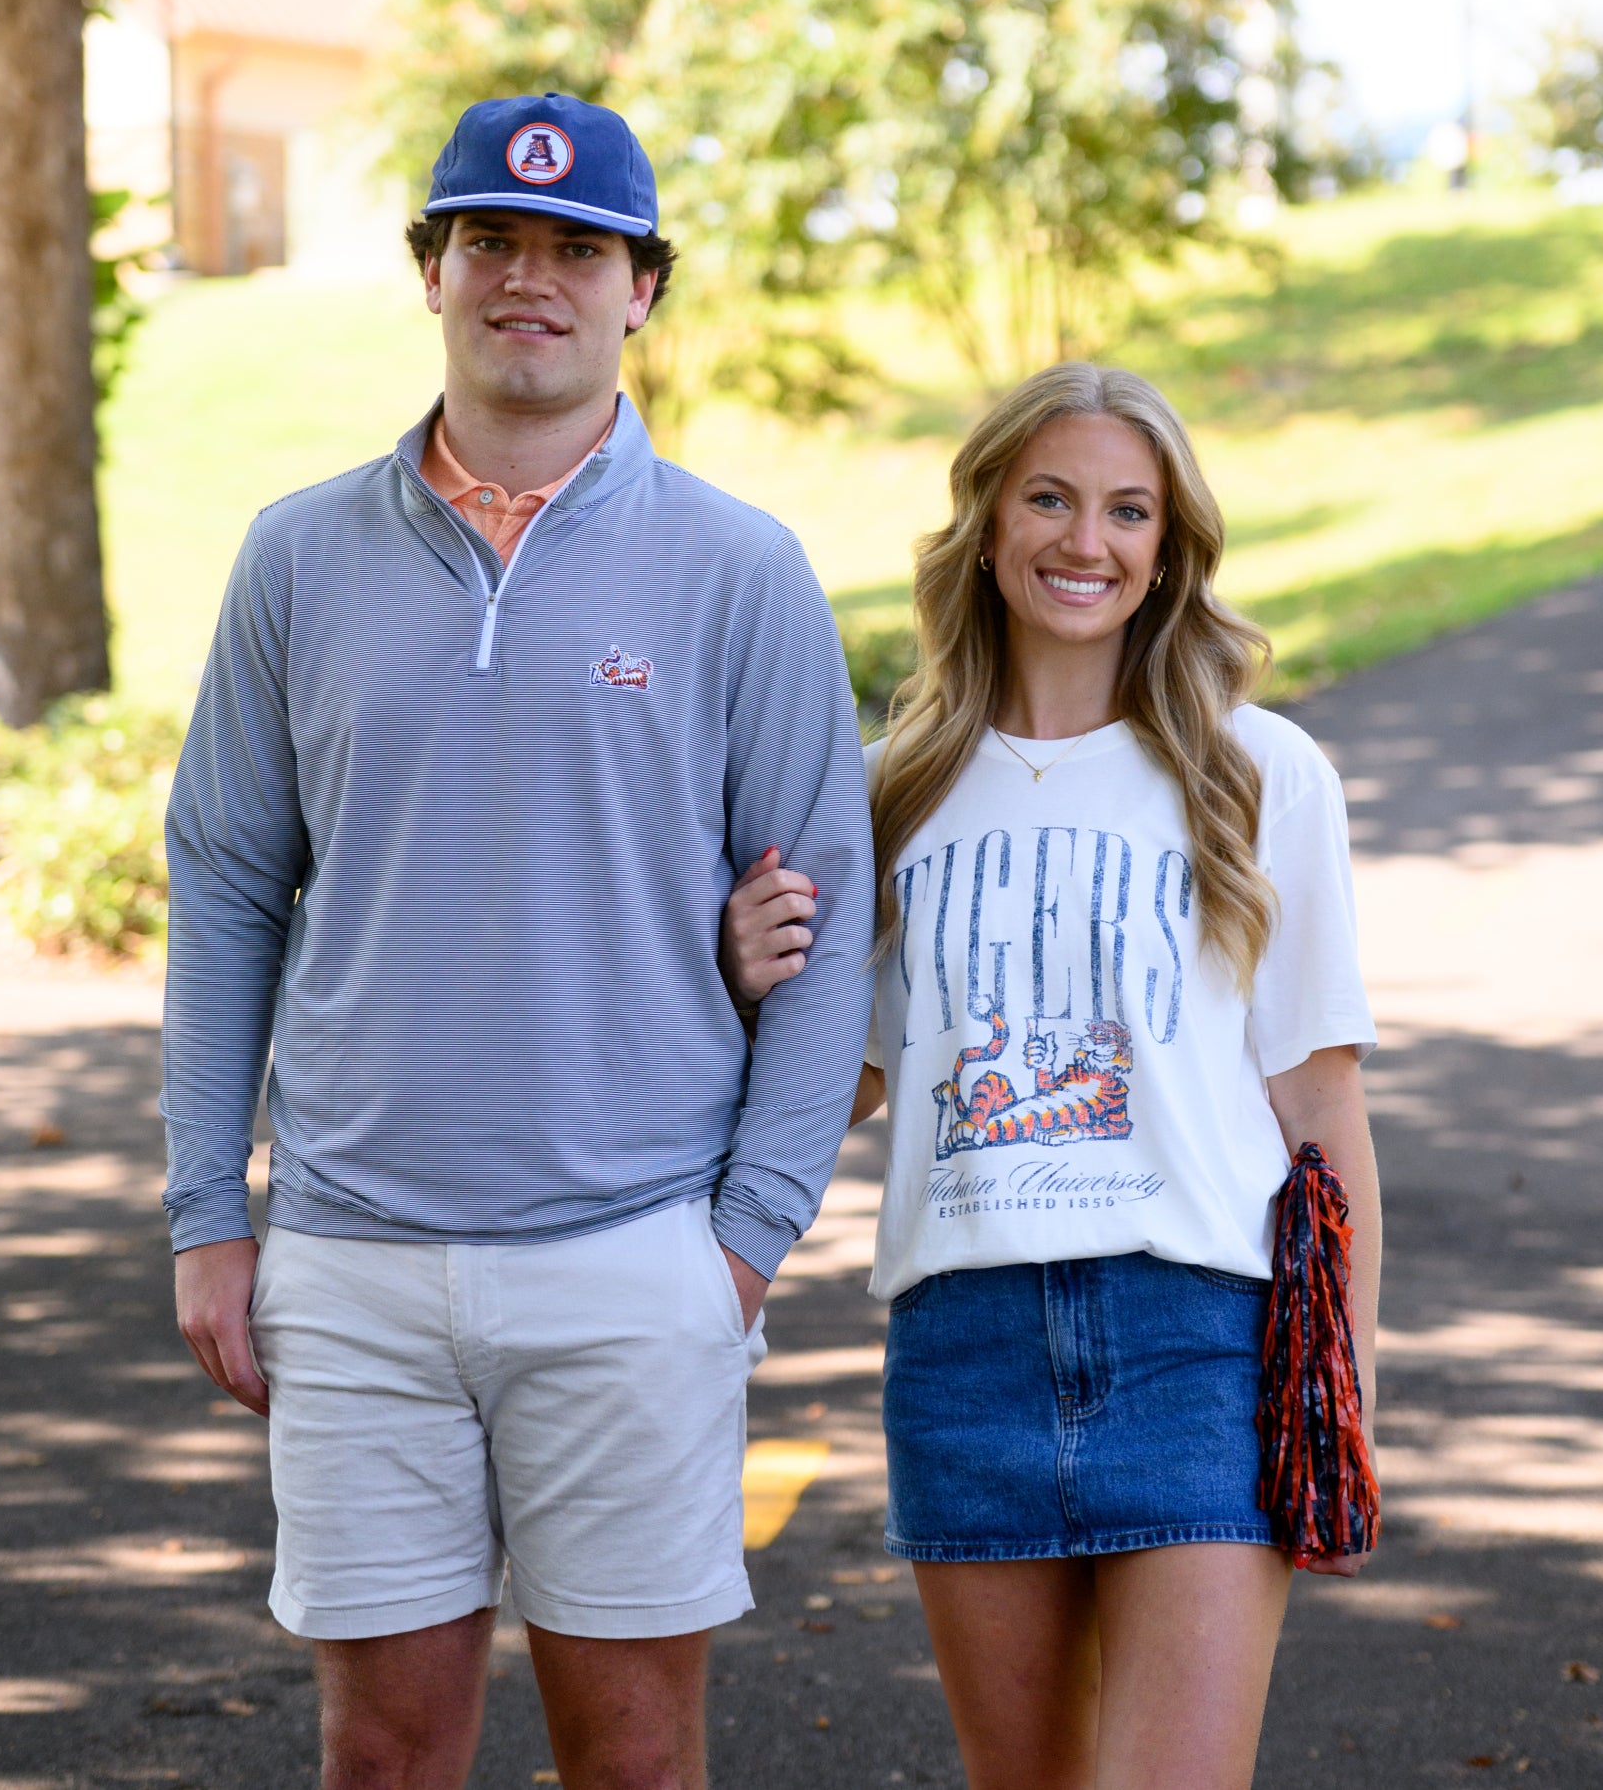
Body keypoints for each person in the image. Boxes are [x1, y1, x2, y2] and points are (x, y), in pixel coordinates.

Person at [162, 91, 875, 1790]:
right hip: (354, 1260)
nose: (528, 279)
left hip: (635, 1253)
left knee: (634, 1761)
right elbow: (228, 885)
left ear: (643, 289)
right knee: (383, 1756)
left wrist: (745, 1243)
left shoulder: (739, 568)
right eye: (490, 240)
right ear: (433, 271)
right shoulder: (295, 557)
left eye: (577, 249)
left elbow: (830, 916)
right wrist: (207, 1214)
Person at [722, 361, 1380, 1790]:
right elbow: (851, 1082)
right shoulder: (886, 789)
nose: (1089, 541)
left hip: (1198, 1342)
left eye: (1129, 511)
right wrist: (745, 977)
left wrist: (1347, 1387)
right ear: (986, 524)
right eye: (1051, 499)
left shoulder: (1259, 773)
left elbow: (1322, 1102)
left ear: (1169, 548)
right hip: (963, 1354)